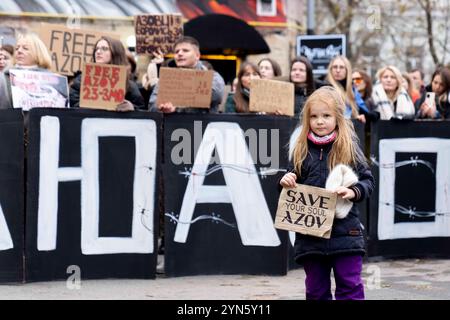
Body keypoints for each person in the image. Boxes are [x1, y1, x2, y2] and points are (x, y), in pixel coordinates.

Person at [279, 86, 374, 300]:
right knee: (315, 292)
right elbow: (289, 182)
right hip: (310, 237)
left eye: (326, 115)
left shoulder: (349, 147)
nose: (320, 121)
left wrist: (353, 191)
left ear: (338, 117)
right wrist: (286, 181)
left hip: (346, 234)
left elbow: (368, 181)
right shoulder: (300, 150)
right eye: (314, 116)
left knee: (350, 288)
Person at [149, 36, 225, 113]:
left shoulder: (212, 76)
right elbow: (152, 104)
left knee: (197, 125)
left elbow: (216, 96)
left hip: (198, 122)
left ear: (197, 55)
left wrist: (176, 106)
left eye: (185, 50)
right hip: (172, 123)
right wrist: (161, 107)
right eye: (176, 52)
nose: (180, 53)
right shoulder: (167, 77)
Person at [69, 36, 145, 111]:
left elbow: (142, 112)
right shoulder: (81, 80)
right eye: (96, 49)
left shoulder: (129, 85)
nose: (98, 52)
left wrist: (132, 108)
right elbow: (72, 105)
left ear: (116, 53)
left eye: (104, 49)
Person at [0, 32, 52, 109]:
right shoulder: (3, 78)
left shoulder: (53, 81)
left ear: (38, 52)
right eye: (17, 48)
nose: (19, 51)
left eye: (25, 48)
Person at [325, 56, 369, 123]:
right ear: (330, 69)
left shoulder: (352, 90)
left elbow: (364, 110)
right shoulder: (325, 87)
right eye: (335, 67)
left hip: (351, 128)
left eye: (341, 67)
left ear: (347, 70)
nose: (338, 70)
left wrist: (367, 116)